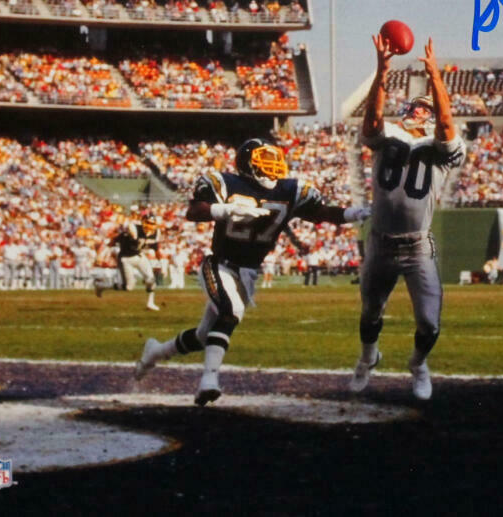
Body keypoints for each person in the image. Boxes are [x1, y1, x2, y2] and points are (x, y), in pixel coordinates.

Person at [134, 138, 370, 405]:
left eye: (274, 159)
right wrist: (226, 209)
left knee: (203, 335)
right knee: (231, 311)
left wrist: (354, 213)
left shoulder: (289, 189)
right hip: (220, 264)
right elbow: (194, 211)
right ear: (247, 163)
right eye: (264, 160)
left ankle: (155, 352)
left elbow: (322, 213)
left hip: (248, 272)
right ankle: (208, 381)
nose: (272, 165)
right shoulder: (226, 183)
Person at [349, 35, 466, 401]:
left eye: (426, 108)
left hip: (418, 246)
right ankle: (368, 357)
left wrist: (434, 75)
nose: (419, 111)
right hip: (380, 242)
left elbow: (446, 123)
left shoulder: (444, 146)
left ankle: (418, 364)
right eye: (415, 106)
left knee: (429, 323)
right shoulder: (389, 135)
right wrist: (382, 70)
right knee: (370, 312)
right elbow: (372, 121)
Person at [95, 204, 162, 310]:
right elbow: (113, 241)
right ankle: (102, 286)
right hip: (126, 258)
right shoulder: (133, 229)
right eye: (148, 223)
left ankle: (150, 303)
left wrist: (159, 262)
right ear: (143, 222)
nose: (150, 226)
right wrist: (102, 255)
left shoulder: (155, 233)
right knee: (128, 287)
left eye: (152, 224)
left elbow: (156, 248)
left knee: (150, 279)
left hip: (140, 256)